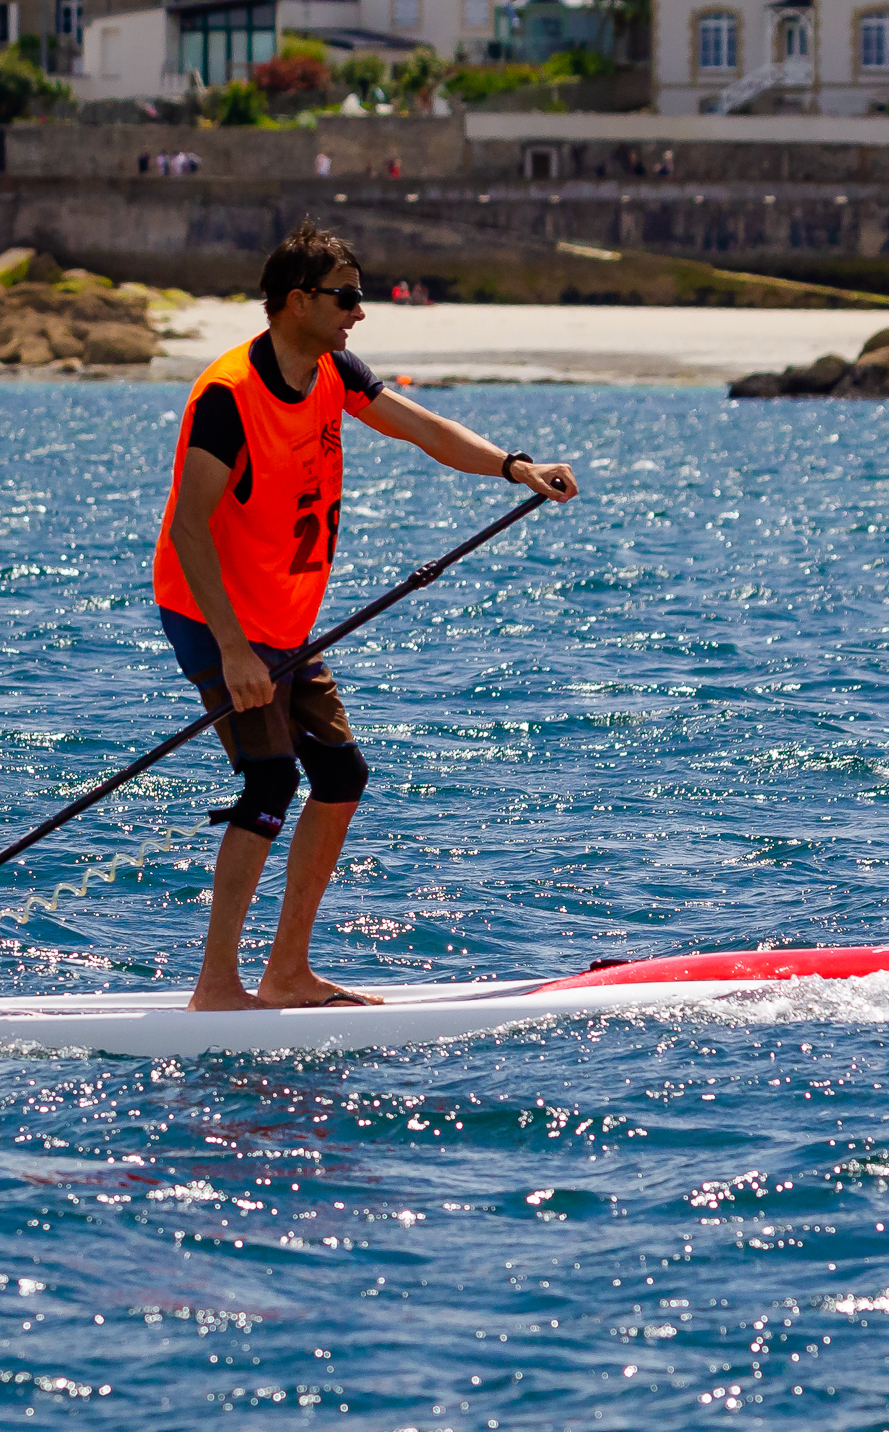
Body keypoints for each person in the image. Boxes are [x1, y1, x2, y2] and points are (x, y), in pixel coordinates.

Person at [155, 221, 578, 1011]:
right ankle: (216, 987)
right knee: (270, 781)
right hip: (215, 617)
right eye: (346, 297)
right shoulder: (228, 397)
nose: (360, 311)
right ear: (295, 301)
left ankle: (286, 972)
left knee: (341, 775)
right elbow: (187, 527)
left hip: (283, 619)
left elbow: (421, 428)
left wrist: (514, 466)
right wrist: (234, 649)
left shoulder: (333, 371)